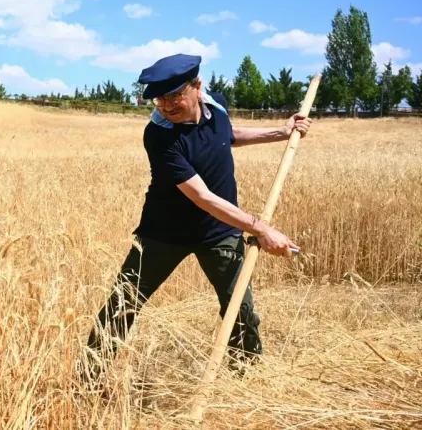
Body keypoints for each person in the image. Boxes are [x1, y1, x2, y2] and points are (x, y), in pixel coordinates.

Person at [81, 53, 313, 384]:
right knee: (122, 306)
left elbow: (227, 135)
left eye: (175, 95)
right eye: (160, 98)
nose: (167, 105)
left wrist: (281, 131)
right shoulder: (159, 136)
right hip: (163, 234)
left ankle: (247, 381)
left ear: (197, 87)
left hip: (219, 231)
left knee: (241, 311)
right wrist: (260, 228)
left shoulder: (216, 104)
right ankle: (85, 383)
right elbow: (201, 197)